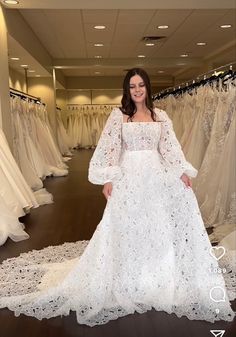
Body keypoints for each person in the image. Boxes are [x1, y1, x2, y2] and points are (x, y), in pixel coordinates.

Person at [0, 68, 234, 327]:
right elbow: (110, 149)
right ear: (127, 89)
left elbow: (169, 147)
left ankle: (156, 271)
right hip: (129, 177)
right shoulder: (119, 116)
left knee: (155, 222)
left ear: (147, 88)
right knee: (126, 223)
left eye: (141, 85)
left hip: (156, 176)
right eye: (132, 86)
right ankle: (128, 272)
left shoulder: (160, 115)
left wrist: (182, 172)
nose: (137, 90)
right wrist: (109, 178)